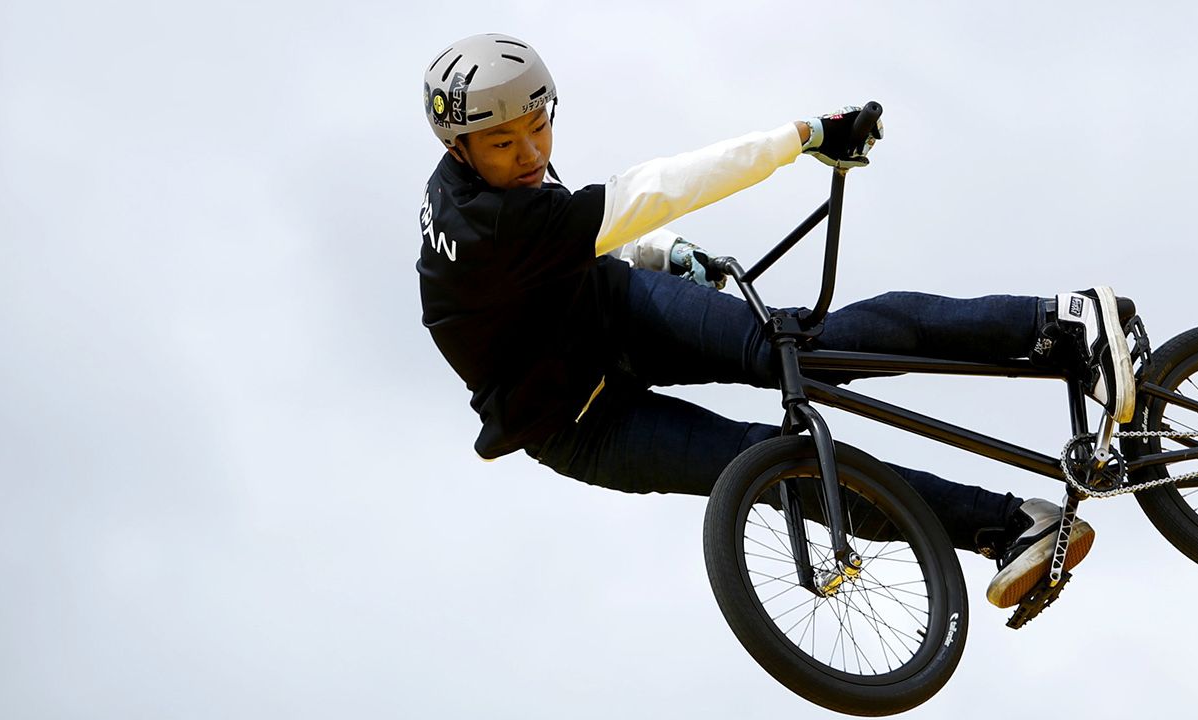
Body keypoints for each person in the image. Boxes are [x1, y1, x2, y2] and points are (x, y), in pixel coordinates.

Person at [415, 33, 1133, 609]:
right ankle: (1010, 526)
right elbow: (652, 191)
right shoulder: (489, 228)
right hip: (575, 424)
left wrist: (659, 254)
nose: (534, 153)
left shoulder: (496, 189)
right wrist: (804, 136)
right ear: (461, 149)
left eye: (539, 127)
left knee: (806, 348)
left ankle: (1061, 324)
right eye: (506, 144)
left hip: (615, 311)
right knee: (779, 475)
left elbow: (573, 239)